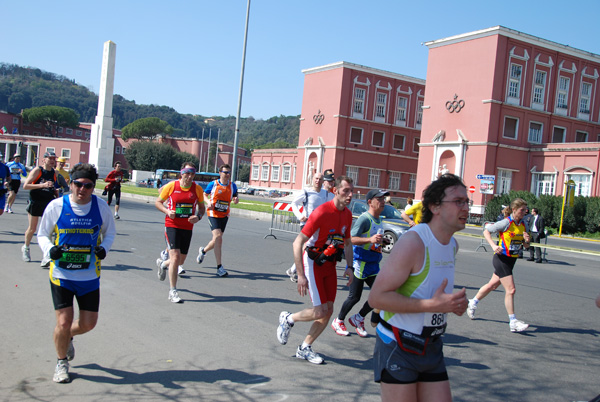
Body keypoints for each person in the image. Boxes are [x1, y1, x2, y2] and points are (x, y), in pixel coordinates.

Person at [368, 174, 469, 402]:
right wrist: (432, 305)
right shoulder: (415, 242)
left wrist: (453, 305)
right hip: (397, 344)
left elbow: (431, 295)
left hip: (431, 346)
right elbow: (376, 298)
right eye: (458, 201)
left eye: (467, 201)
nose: (466, 208)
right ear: (435, 207)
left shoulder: (452, 244)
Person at [37, 163, 116, 383]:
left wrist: (104, 249)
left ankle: (67, 336)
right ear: (71, 184)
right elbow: (42, 234)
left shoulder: (100, 207)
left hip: (89, 275)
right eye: (78, 184)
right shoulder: (56, 206)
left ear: (93, 187)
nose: (82, 190)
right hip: (61, 274)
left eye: (88, 186)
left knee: (88, 324)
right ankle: (61, 362)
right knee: (63, 322)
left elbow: (110, 233)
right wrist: (49, 250)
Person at [276, 176, 354, 364]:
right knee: (320, 311)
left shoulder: (348, 215)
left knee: (328, 311)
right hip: (312, 262)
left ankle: (305, 347)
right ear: (335, 191)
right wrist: (301, 275)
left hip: (330, 263)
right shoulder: (322, 212)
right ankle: (288, 319)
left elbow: (348, 242)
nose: (350, 195)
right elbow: (298, 242)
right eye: (346, 191)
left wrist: (350, 267)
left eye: (352, 191)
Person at [467, 198, 531, 333]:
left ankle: (473, 302)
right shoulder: (506, 222)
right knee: (511, 290)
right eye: (522, 209)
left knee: (493, 285)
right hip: (501, 258)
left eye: (526, 209)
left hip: (511, 260)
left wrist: (527, 241)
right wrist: (493, 245)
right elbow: (486, 231)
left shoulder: (523, 224)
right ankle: (513, 321)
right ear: (514, 210)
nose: (525, 212)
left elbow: (525, 246)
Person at [332, 188, 388, 338]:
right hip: (361, 263)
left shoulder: (379, 219)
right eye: (380, 199)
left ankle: (358, 318)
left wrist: (381, 241)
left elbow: (373, 240)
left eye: (384, 199)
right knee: (354, 297)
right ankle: (338, 320)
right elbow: (350, 239)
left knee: (380, 295)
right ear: (370, 202)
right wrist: (370, 240)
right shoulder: (365, 219)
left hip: (373, 263)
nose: (383, 202)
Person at [155, 162, 205, 303]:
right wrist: (167, 211)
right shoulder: (172, 186)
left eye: (192, 173)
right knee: (175, 258)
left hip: (187, 228)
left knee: (180, 261)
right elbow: (158, 202)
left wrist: (199, 217)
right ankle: (173, 291)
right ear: (181, 173)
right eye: (187, 173)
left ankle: (163, 264)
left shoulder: (197, 189)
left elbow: (202, 208)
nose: (189, 177)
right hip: (172, 225)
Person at [286, 172, 334, 282]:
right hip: (307, 224)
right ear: (312, 179)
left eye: (320, 179)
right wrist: (300, 215)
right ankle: (297, 272)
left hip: (320, 226)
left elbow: (334, 204)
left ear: (323, 181)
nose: (318, 181)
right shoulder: (306, 192)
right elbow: (294, 203)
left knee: (309, 249)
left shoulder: (326, 194)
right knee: (306, 247)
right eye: (316, 178)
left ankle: (293, 269)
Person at [196, 164, 238, 277]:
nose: (227, 175)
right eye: (225, 172)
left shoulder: (232, 185)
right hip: (213, 213)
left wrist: (236, 199)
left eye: (229, 172)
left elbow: (235, 196)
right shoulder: (213, 184)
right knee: (218, 237)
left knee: (217, 239)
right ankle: (219, 267)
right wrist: (208, 202)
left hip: (224, 215)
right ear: (220, 173)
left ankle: (203, 251)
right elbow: (204, 195)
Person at [22, 151, 60, 265]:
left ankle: (46, 256)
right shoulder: (37, 171)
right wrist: (42, 185)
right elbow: (26, 186)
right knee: (32, 229)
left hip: (48, 203)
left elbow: (54, 186)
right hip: (35, 201)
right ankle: (26, 248)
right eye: (50, 158)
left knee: (47, 230)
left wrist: (56, 193)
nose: (52, 161)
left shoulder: (55, 172)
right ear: (44, 159)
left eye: (54, 159)